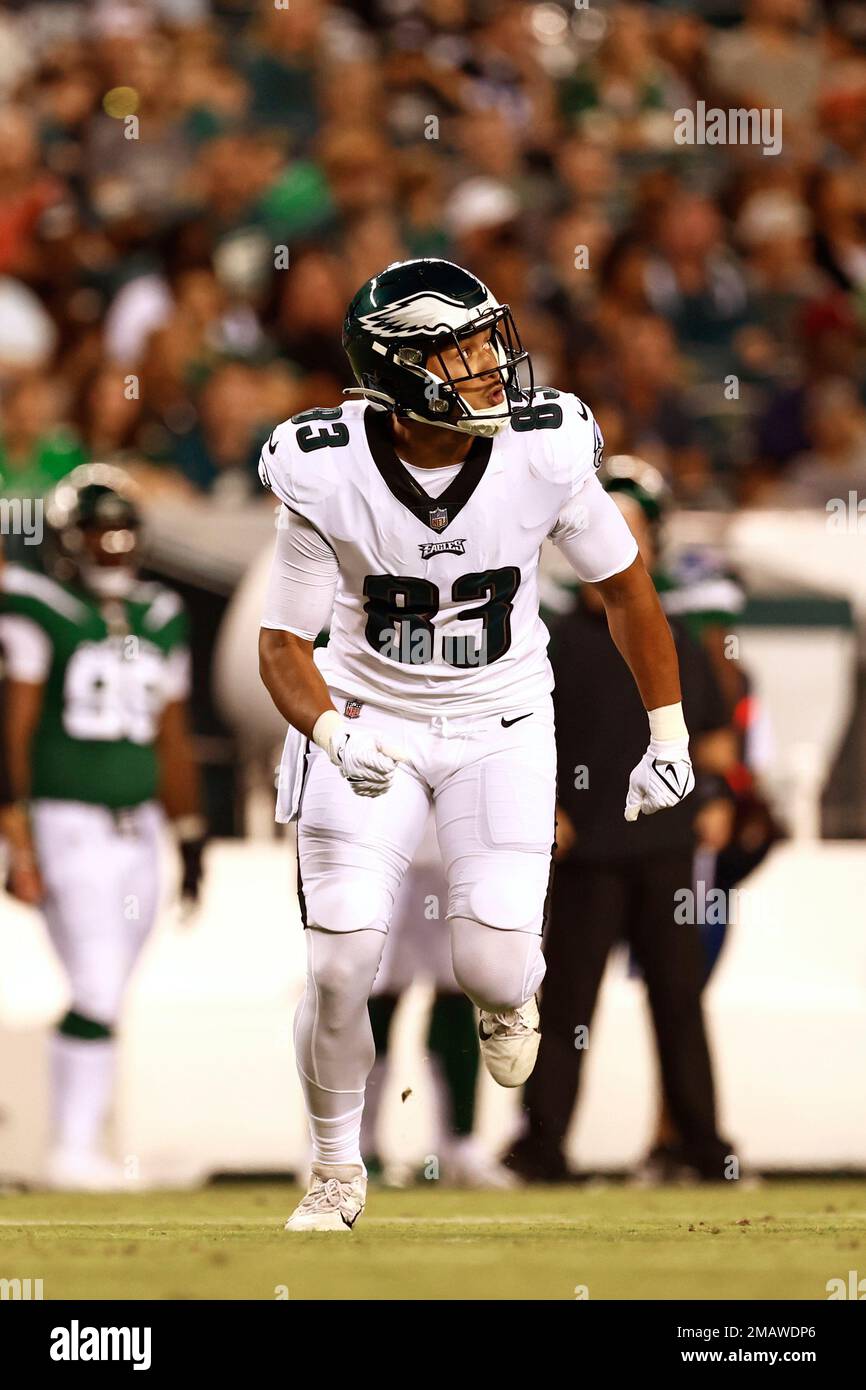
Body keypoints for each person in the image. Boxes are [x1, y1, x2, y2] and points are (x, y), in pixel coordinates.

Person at [257, 257, 696, 1233]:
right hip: (366, 721)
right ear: (399, 369)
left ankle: (509, 993)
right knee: (338, 964)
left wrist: (665, 730)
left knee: (491, 967)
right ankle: (335, 1171)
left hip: (500, 723)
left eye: (488, 341)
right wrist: (328, 728)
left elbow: (624, 590)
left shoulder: (542, 449)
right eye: (462, 350)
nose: (494, 366)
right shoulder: (322, 467)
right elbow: (283, 644)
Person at [505, 473, 736, 1184]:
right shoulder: (545, 636)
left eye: (634, 523)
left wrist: (719, 794)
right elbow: (516, 730)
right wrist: (542, 804)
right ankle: (541, 1148)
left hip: (664, 843)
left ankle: (701, 1145)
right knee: (569, 999)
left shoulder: (673, 633)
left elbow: (714, 733)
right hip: (585, 850)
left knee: (679, 999)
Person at [0, 465, 206, 1190]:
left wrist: (188, 832)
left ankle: (83, 1144)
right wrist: (14, 832)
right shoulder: (36, 605)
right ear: (65, 541)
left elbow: (172, 737)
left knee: (113, 982)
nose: (113, 547)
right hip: (66, 820)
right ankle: (71, 1148)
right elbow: (13, 729)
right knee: (95, 981)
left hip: (139, 825)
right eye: (98, 534)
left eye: (123, 533)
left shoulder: (161, 613)